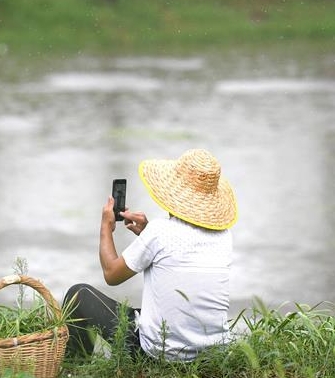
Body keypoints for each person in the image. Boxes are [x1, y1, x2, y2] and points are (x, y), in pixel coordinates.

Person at [63, 148, 238, 361]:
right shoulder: (224, 236)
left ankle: (74, 370)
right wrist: (146, 233)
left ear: (172, 192)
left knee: (78, 294)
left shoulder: (160, 231)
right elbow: (179, 257)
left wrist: (105, 227)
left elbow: (111, 274)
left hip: (158, 354)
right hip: (213, 355)